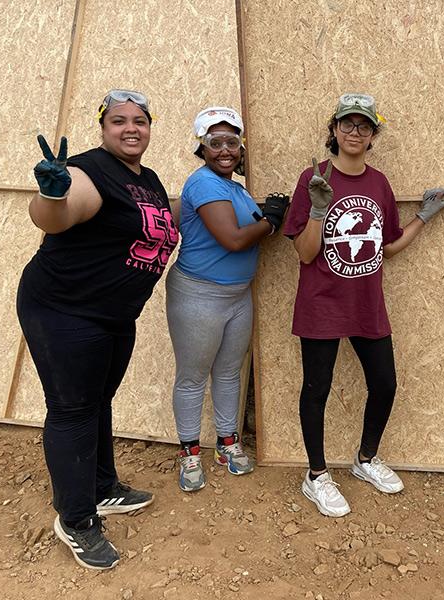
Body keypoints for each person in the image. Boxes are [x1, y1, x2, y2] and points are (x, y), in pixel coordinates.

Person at [17, 89, 178, 570]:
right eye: (118, 121)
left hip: (113, 314)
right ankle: (76, 519)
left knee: (97, 402)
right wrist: (52, 192)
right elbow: (57, 218)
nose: (131, 128)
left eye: (140, 121)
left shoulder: (146, 177)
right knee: (72, 410)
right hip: (65, 310)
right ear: (103, 128)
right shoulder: (89, 171)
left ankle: (103, 487)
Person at [282, 92, 444, 517]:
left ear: (373, 134)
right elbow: (304, 253)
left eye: (364, 126)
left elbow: (387, 247)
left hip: (366, 302)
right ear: (334, 130)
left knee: (385, 383)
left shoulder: (378, 183)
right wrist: (319, 212)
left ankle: (365, 459)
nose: (355, 132)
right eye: (347, 124)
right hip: (321, 302)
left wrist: (423, 218)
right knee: (316, 389)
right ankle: (317, 475)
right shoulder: (313, 178)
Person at [167, 106, 289, 492]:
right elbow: (233, 239)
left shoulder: (234, 187)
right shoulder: (203, 183)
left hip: (236, 295)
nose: (224, 150)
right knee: (192, 377)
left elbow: (245, 230)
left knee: (228, 372)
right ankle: (189, 452)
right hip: (199, 293)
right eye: (214, 142)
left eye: (231, 142)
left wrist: (267, 218)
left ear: (241, 147)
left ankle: (227, 443)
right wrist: (270, 221)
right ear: (201, 148)